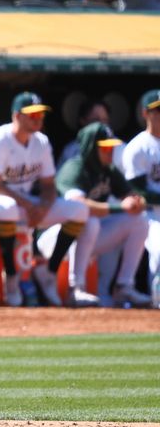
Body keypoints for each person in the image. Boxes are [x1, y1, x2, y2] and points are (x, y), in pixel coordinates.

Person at [0, 92, 89, 307]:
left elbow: (49, 185)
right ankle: (11, 277)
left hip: (25, 206)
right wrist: (30, 205)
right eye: (32, 114)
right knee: (9, 208)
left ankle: (49, 272)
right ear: (17, 116)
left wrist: (43, 206)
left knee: (79, 211)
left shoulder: (41, 142)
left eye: (40, 114)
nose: (37, 119)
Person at [38, 123, 150, 307]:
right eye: (105, 147)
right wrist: (121, 207)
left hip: (86, 238)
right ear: (91, 147)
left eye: (111, 147)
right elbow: (80, 205)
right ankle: (76, 289)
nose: (110, 151)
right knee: (89, 221)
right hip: (54, 239)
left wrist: (137, 202)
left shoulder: (108, 170)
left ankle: (124, 287)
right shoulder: (74, 168)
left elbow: (132, 197)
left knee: (139, 221)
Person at [122, 89, 160, 296]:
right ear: (146, 114)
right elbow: (136, 190)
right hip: (150, 213)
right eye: (158, 110)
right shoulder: (138, 146)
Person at [57, 100, 111, 168]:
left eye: (105, 120)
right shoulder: (70, 150)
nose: (101, 125)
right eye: (96, 120)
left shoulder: (119, 147)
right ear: (83, 121)